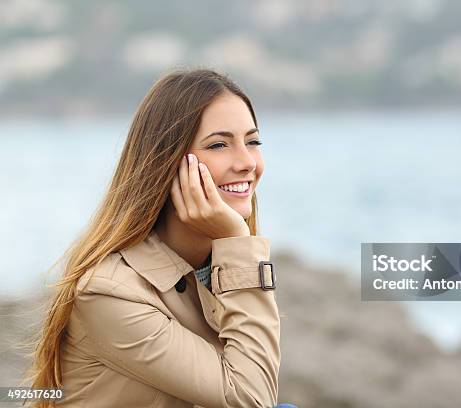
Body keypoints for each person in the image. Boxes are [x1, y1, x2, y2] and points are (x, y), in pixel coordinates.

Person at [24, 68, 290, 407]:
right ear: (167, 162)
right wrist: (237, 242)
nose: (247, 162)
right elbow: (251, 399)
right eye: (219, 145)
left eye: (253, 142)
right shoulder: (109, 292)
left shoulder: (213, 267)